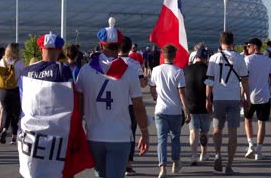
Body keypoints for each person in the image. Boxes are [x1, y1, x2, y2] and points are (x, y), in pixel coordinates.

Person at [75, 21, 150, 178]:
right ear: (119, 45)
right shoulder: (129, 72)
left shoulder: (85, 71)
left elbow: (79, 106)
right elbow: (138, 106)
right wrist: (144, 132)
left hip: (94, 136)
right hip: (120, 137)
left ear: (101, 45)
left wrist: (78, 130)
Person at [18, 33, 94, 177]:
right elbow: (72, 101)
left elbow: (22, 102)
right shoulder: (63, 71)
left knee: (34, 170)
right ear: (59, 51)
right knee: (59, 170)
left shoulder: (26, 72)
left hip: (32, 133)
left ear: (41, 49)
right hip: (58, 135)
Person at [205, 31, 250, 175]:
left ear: (220, 43)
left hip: (218, 97)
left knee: (217, 129)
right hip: (234, 97)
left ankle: (217, 153)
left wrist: (208, 99)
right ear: (233, 43)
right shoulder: (239, 58)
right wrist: (247, 97)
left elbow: (209, 80)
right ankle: (229, 165)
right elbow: (244, 80)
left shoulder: (214, 58)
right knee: (233, 132)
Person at [149, 44, 190, 178]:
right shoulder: (178, 71)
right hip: (175, 110)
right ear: (174, 56)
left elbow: (152, 88)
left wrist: (156, 97)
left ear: (163, 55)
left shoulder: (155, 70)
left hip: (160, 109)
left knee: (161, 139)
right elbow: (182, 93)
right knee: (175, 138)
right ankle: (175, 162)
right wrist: (186, 110)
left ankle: (162, 168)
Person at [243, 38, 271, 161]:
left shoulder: (247, 60)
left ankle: (250, 145)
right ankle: (258, 150)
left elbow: (244, 80)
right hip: (264, 95)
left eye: (248, 46)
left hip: (249, 96)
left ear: (254, 47)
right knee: (261, 123)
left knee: (247, 120)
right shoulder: (268, 60)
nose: (247, 49)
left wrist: (241, 95)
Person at [119, 36, 148, 176]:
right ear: (130, 48)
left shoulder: (111, 62)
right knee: (130, 134)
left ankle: (116, 161)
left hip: (115, 103)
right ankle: (128, 164)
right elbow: (142, 84)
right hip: (131, 103)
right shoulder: (134, 64)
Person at [183, 47, 211, 166]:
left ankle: (193, 155)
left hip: (191, 104)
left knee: (193, 131)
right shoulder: (208, 70)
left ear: (196, 57)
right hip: (205, 104)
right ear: (206, 59)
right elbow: (211, 87)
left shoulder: (186, 69)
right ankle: (203, 154)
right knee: (204, 132)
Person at [0, 43, 25, 144]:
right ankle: (14, 137)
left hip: (3, 91)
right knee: (15, 114)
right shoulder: (19, 63)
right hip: (15, 90)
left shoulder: (2, 61)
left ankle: (4, 129)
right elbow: (23, 78)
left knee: (5, 111)